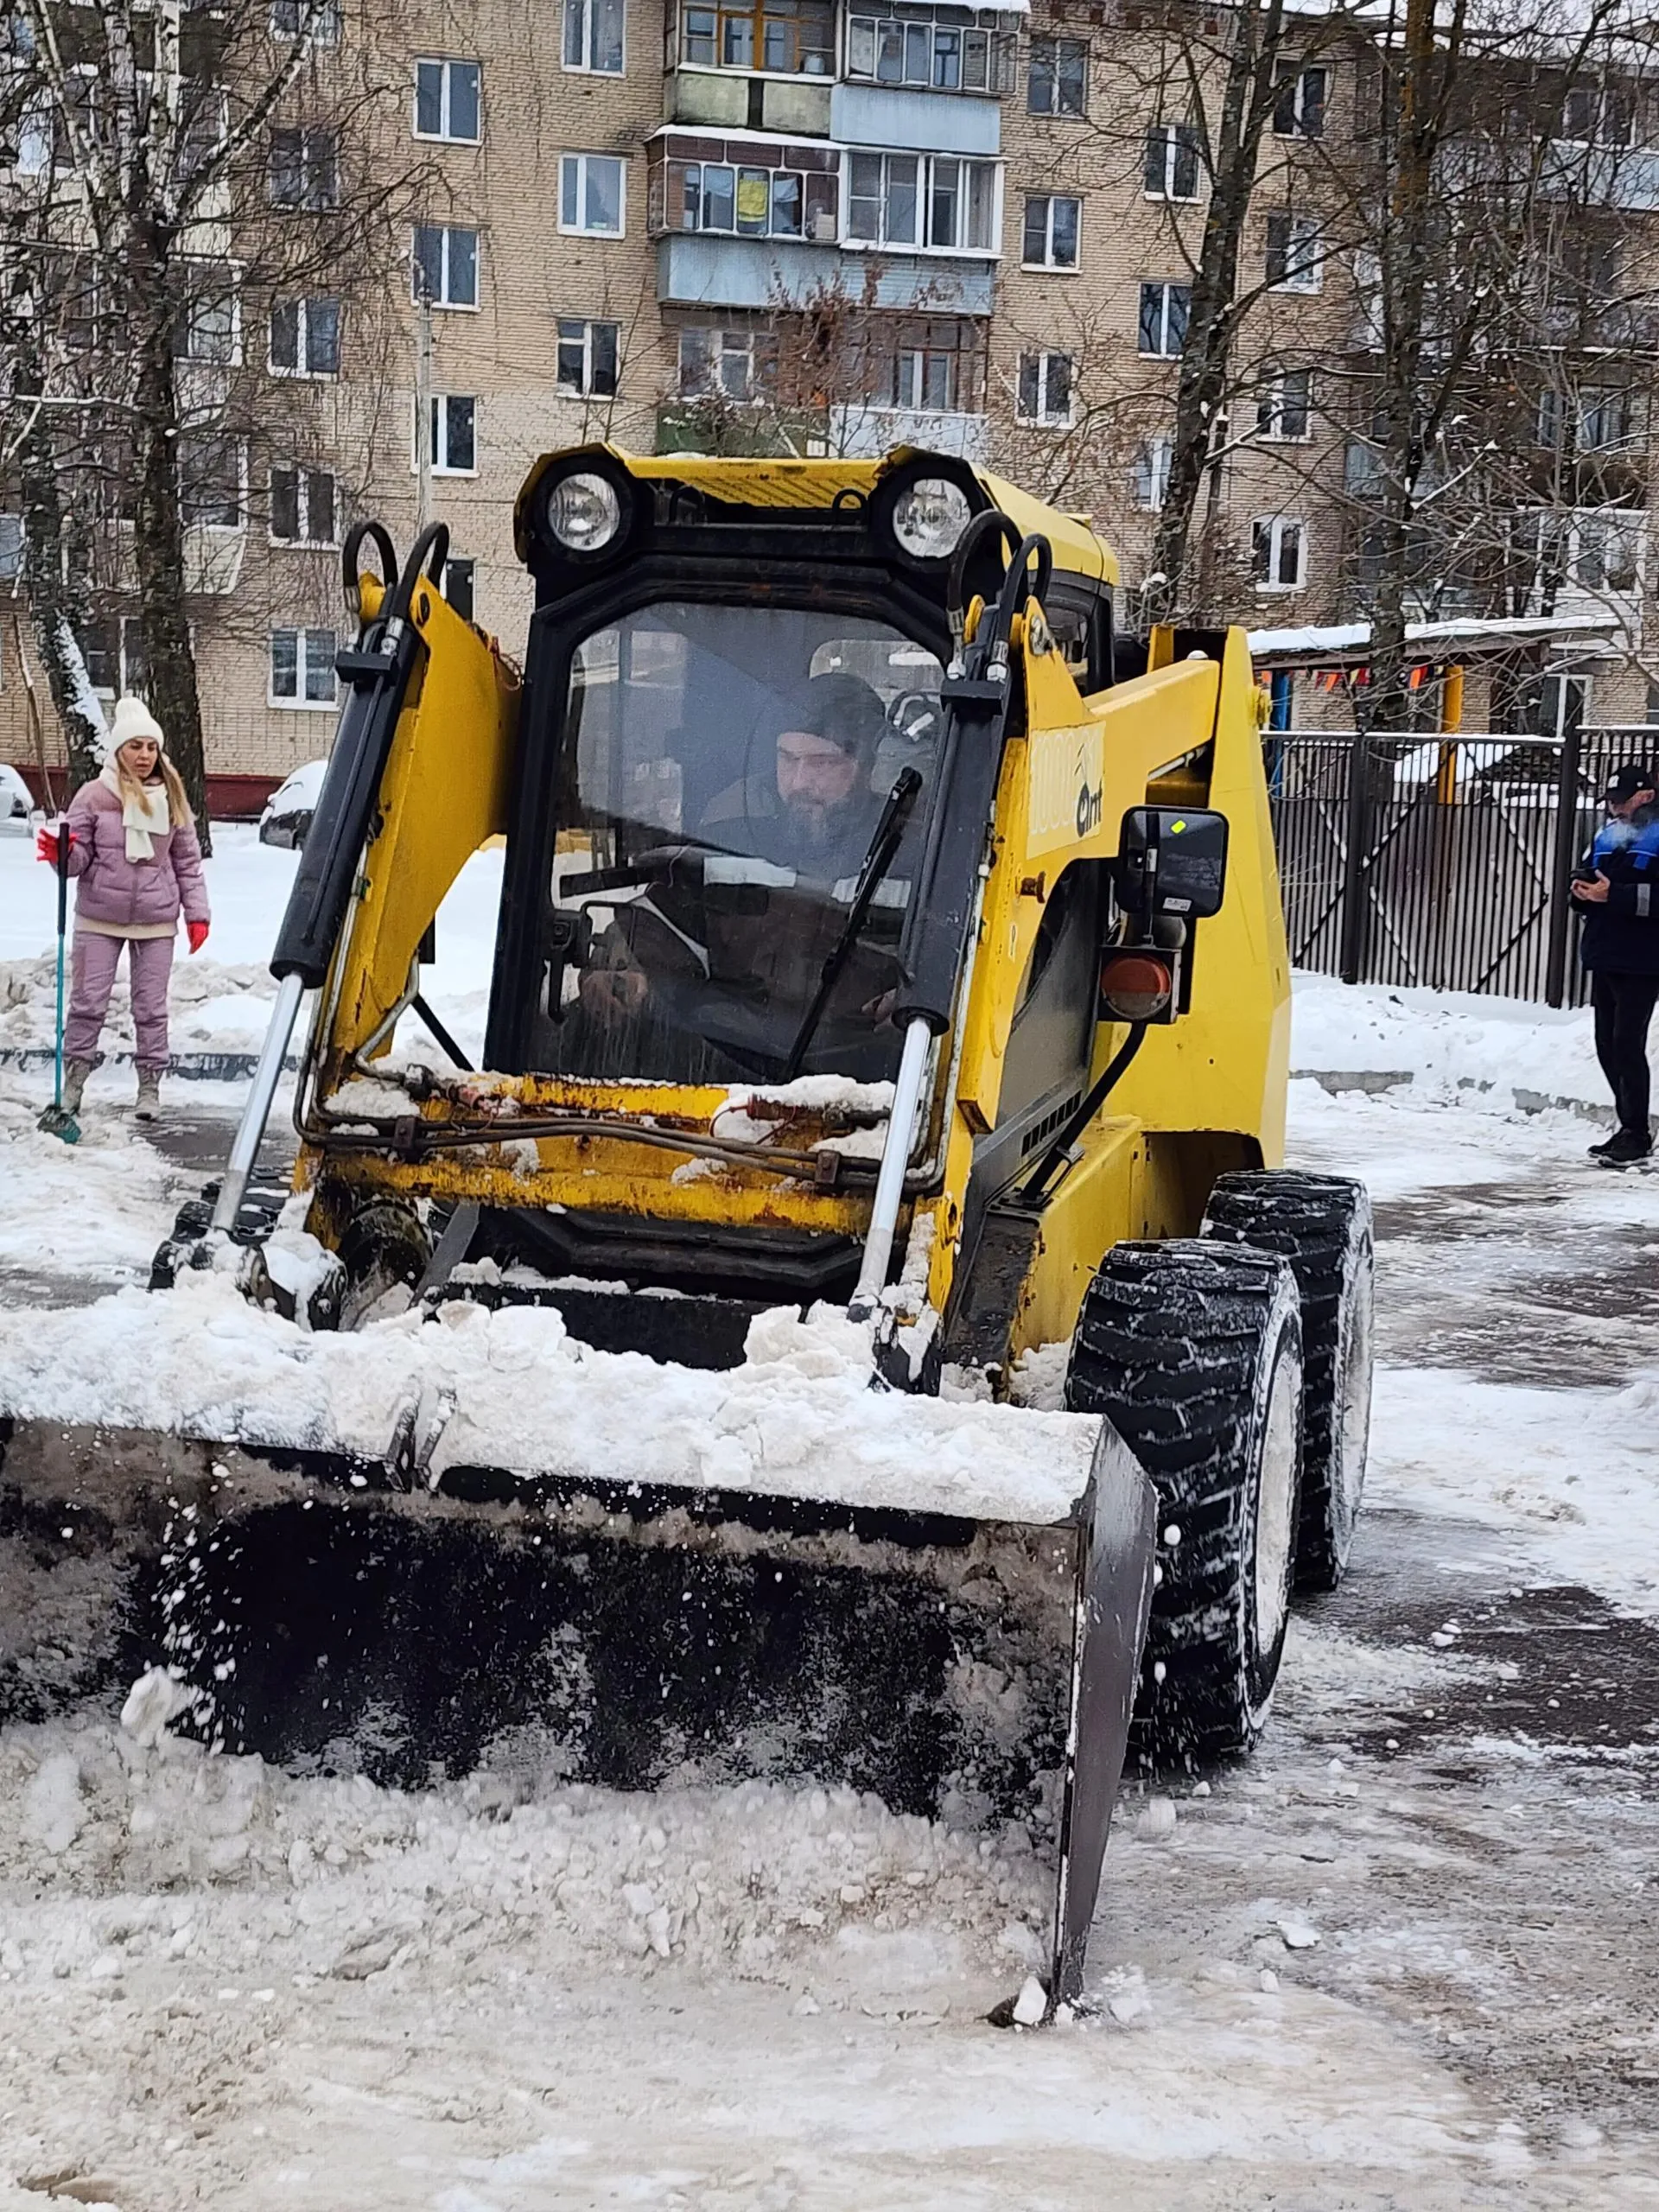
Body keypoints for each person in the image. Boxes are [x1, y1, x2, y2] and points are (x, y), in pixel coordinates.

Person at [581, 671, 895, 1036]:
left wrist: (910, 1000)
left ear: (868, 766)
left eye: (822, 763)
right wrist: (621, 968)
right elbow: (658, 921)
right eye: (788, 760)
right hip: (728, 1062)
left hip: (867, 1073)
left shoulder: (915, 859)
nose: (798, 784)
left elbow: (957, 968)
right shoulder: (732, 841)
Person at [35, 695, 211, 1122]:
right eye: (136, 746)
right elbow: (77, 864)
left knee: (151, 1007)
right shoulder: (94, 796)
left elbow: (187, 862)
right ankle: (74, 1083)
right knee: (88, 1002)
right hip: (99, 916)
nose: (145, 755)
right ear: (119, 750)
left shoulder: (171, 795)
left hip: (155, 918)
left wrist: (197, 913)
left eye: (151, 747)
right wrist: (62, 853)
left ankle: (149, 1087)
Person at [1572, 760, 1659, 1166]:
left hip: (1644, 957)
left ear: (1646, 796)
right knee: (1607, 1043)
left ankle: (1638, 1133)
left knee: (1628, 1042)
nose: (1616, 809)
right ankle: (1627, 1126)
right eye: (1611, 801)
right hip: (1606, 950)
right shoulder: (1608, 834)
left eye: (1622, 802)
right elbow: (1590, 872)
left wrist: (1615, 896)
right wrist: (1582, 890)